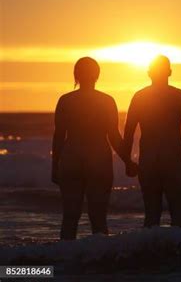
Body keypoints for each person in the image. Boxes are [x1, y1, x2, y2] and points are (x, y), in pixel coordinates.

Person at [52, 57, 134, 240]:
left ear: (76, 75)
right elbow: (113, 136)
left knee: (70, 217)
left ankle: (65, 262)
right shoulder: (106, 101)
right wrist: (128, 161)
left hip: (71, 158)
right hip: (98, 159)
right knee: (98, 219)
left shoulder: (66, 100)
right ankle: (100, 262)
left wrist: (54, 165)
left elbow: (59, 136)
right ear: (97, 75)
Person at [123, 55, 181, 228]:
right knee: (178, 218)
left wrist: (127, 161)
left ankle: (152, 253)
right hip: (173, 161)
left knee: (151, 217)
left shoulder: (140, 97)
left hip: (149, 161)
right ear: (169, 72)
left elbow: (129, 130)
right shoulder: (179, 96)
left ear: (148, 73)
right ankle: (177, 253)